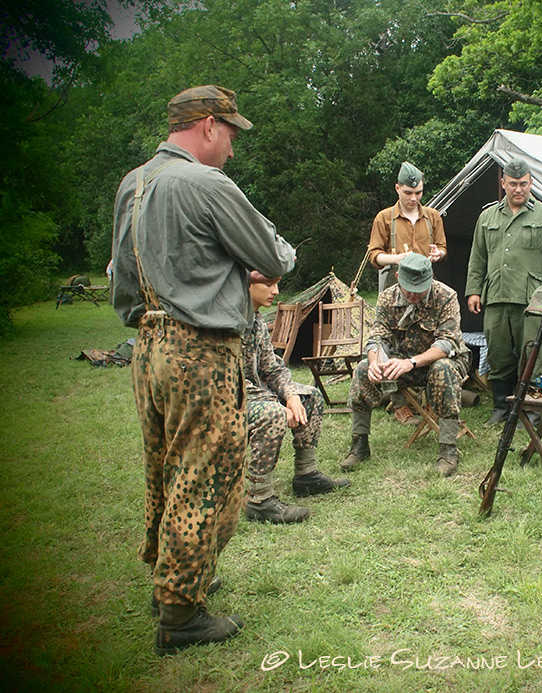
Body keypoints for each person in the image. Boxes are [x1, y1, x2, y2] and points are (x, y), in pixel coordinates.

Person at [111, 85, 296, 655]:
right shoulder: (205, 183)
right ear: (209, 126)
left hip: (148, 345)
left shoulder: (133, 184)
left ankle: (175, 577)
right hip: (201, 351)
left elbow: (122, 281)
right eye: (232, 134)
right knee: (206, 473)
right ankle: (180, 614)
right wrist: (241, 277)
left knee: (166, 469)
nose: (233, 150)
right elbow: (276, 256)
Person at [341, 253, 470, 476]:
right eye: (408, 287)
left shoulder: (446, 296)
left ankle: (448, 449)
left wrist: (411, 362)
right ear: (398, 277)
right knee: (363, 368)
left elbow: (447, 343)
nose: (412, 294)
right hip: (402, 362)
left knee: (443, 368)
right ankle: (359, 443)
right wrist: (375, 362)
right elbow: (378, 338)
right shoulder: (387, 298)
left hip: (440, 362)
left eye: (419, 289)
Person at [465, 158, 542, 426]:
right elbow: (477, 257)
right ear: (503, 184)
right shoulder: (487, 217)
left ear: (531, 182)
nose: (518, 189)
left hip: (531, 299)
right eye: (513, 184)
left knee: (531, 354)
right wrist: (474, 290)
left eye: (523, 183)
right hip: (496, 296)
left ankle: (532, 408)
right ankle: (501, 406)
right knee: (497, 352)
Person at [243, 271, 350, 524]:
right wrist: (275, 404)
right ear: (246, 285)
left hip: (256, 393)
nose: (276, 291)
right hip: (228, 401)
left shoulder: (256, 320)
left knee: (310, 397)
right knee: (273, 414)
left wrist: (291, 396)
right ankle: (259, 499)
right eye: (268, 284)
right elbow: (231, 383)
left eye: (277, 284)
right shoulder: (229, 323)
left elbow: (272, 368)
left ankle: (306, 476)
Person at [367, 161, 448, 426]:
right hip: (394, 283)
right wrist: (396, 258)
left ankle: (430, 398)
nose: (414, 198)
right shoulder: (384, 218)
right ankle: (399, 403)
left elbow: (444, 248)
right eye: (408, 193)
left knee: (425, 338)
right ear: (397, 189)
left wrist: (438, 254)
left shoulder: (433, 217)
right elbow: (374, 256)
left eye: (418, 193)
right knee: (389, 342)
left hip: (424, 287)